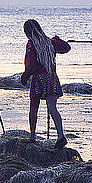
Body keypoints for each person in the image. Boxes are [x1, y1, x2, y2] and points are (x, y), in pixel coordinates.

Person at [20, 19, 70, 148]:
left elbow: (30, 65)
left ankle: (32, 136)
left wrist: (25, 77)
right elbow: (66, 48)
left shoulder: (31, 44)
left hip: (39, 78)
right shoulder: (50, 42)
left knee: (34, 107)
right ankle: (60, 136)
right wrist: (57, 39)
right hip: (52, 77)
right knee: (52, 108)